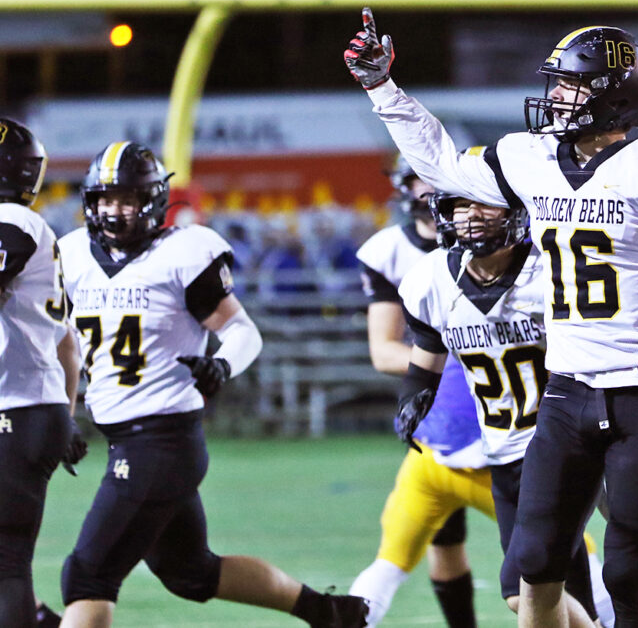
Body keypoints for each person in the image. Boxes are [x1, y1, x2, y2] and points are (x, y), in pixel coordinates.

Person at [346, 9, 638, 627]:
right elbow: (441, 166)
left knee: (625, 570)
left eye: (570, 84)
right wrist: (383, 89)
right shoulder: (527, 159)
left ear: (612, 95)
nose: (555, 97)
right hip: (565, 392)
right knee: (534, 561)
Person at [56, 141, 368, 628]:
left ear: (154, 200)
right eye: (106, 199)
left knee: (88, 577)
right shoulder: (72, 253)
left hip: (161, 438)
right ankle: (329, 612)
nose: (116, 210)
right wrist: (64, 410)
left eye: (129, 198)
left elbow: (242, 331)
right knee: (190, 572)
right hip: (127, 436)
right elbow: (69, 343)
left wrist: (222, 365)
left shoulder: (183, 251)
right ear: (90, 202)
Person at [397, 191, 612, 626]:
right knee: (558, 587)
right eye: (459, 205)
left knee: (521, 588)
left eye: (484, 204)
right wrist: (412, 398)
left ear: (515, 212)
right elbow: (426, 351)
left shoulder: (550, 272)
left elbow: (592, 364)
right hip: (502, 451)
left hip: (557, 446)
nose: (471, 215)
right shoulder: (432, 279)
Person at [349, 156, 490, 628]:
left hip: (468, 424)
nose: (429, 190)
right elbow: (385, 350)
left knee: (404, 555)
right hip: (448, 419)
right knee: (449, 544)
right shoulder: (390, 251)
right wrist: (456, 363)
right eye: (417, 179)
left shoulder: (508, 245)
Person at [0, 118, 86, 628]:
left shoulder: (13, 221)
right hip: (33, 408)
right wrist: (66, 416)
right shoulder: (30, 227)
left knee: (7, 564)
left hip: (18, 411)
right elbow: (68, 346)